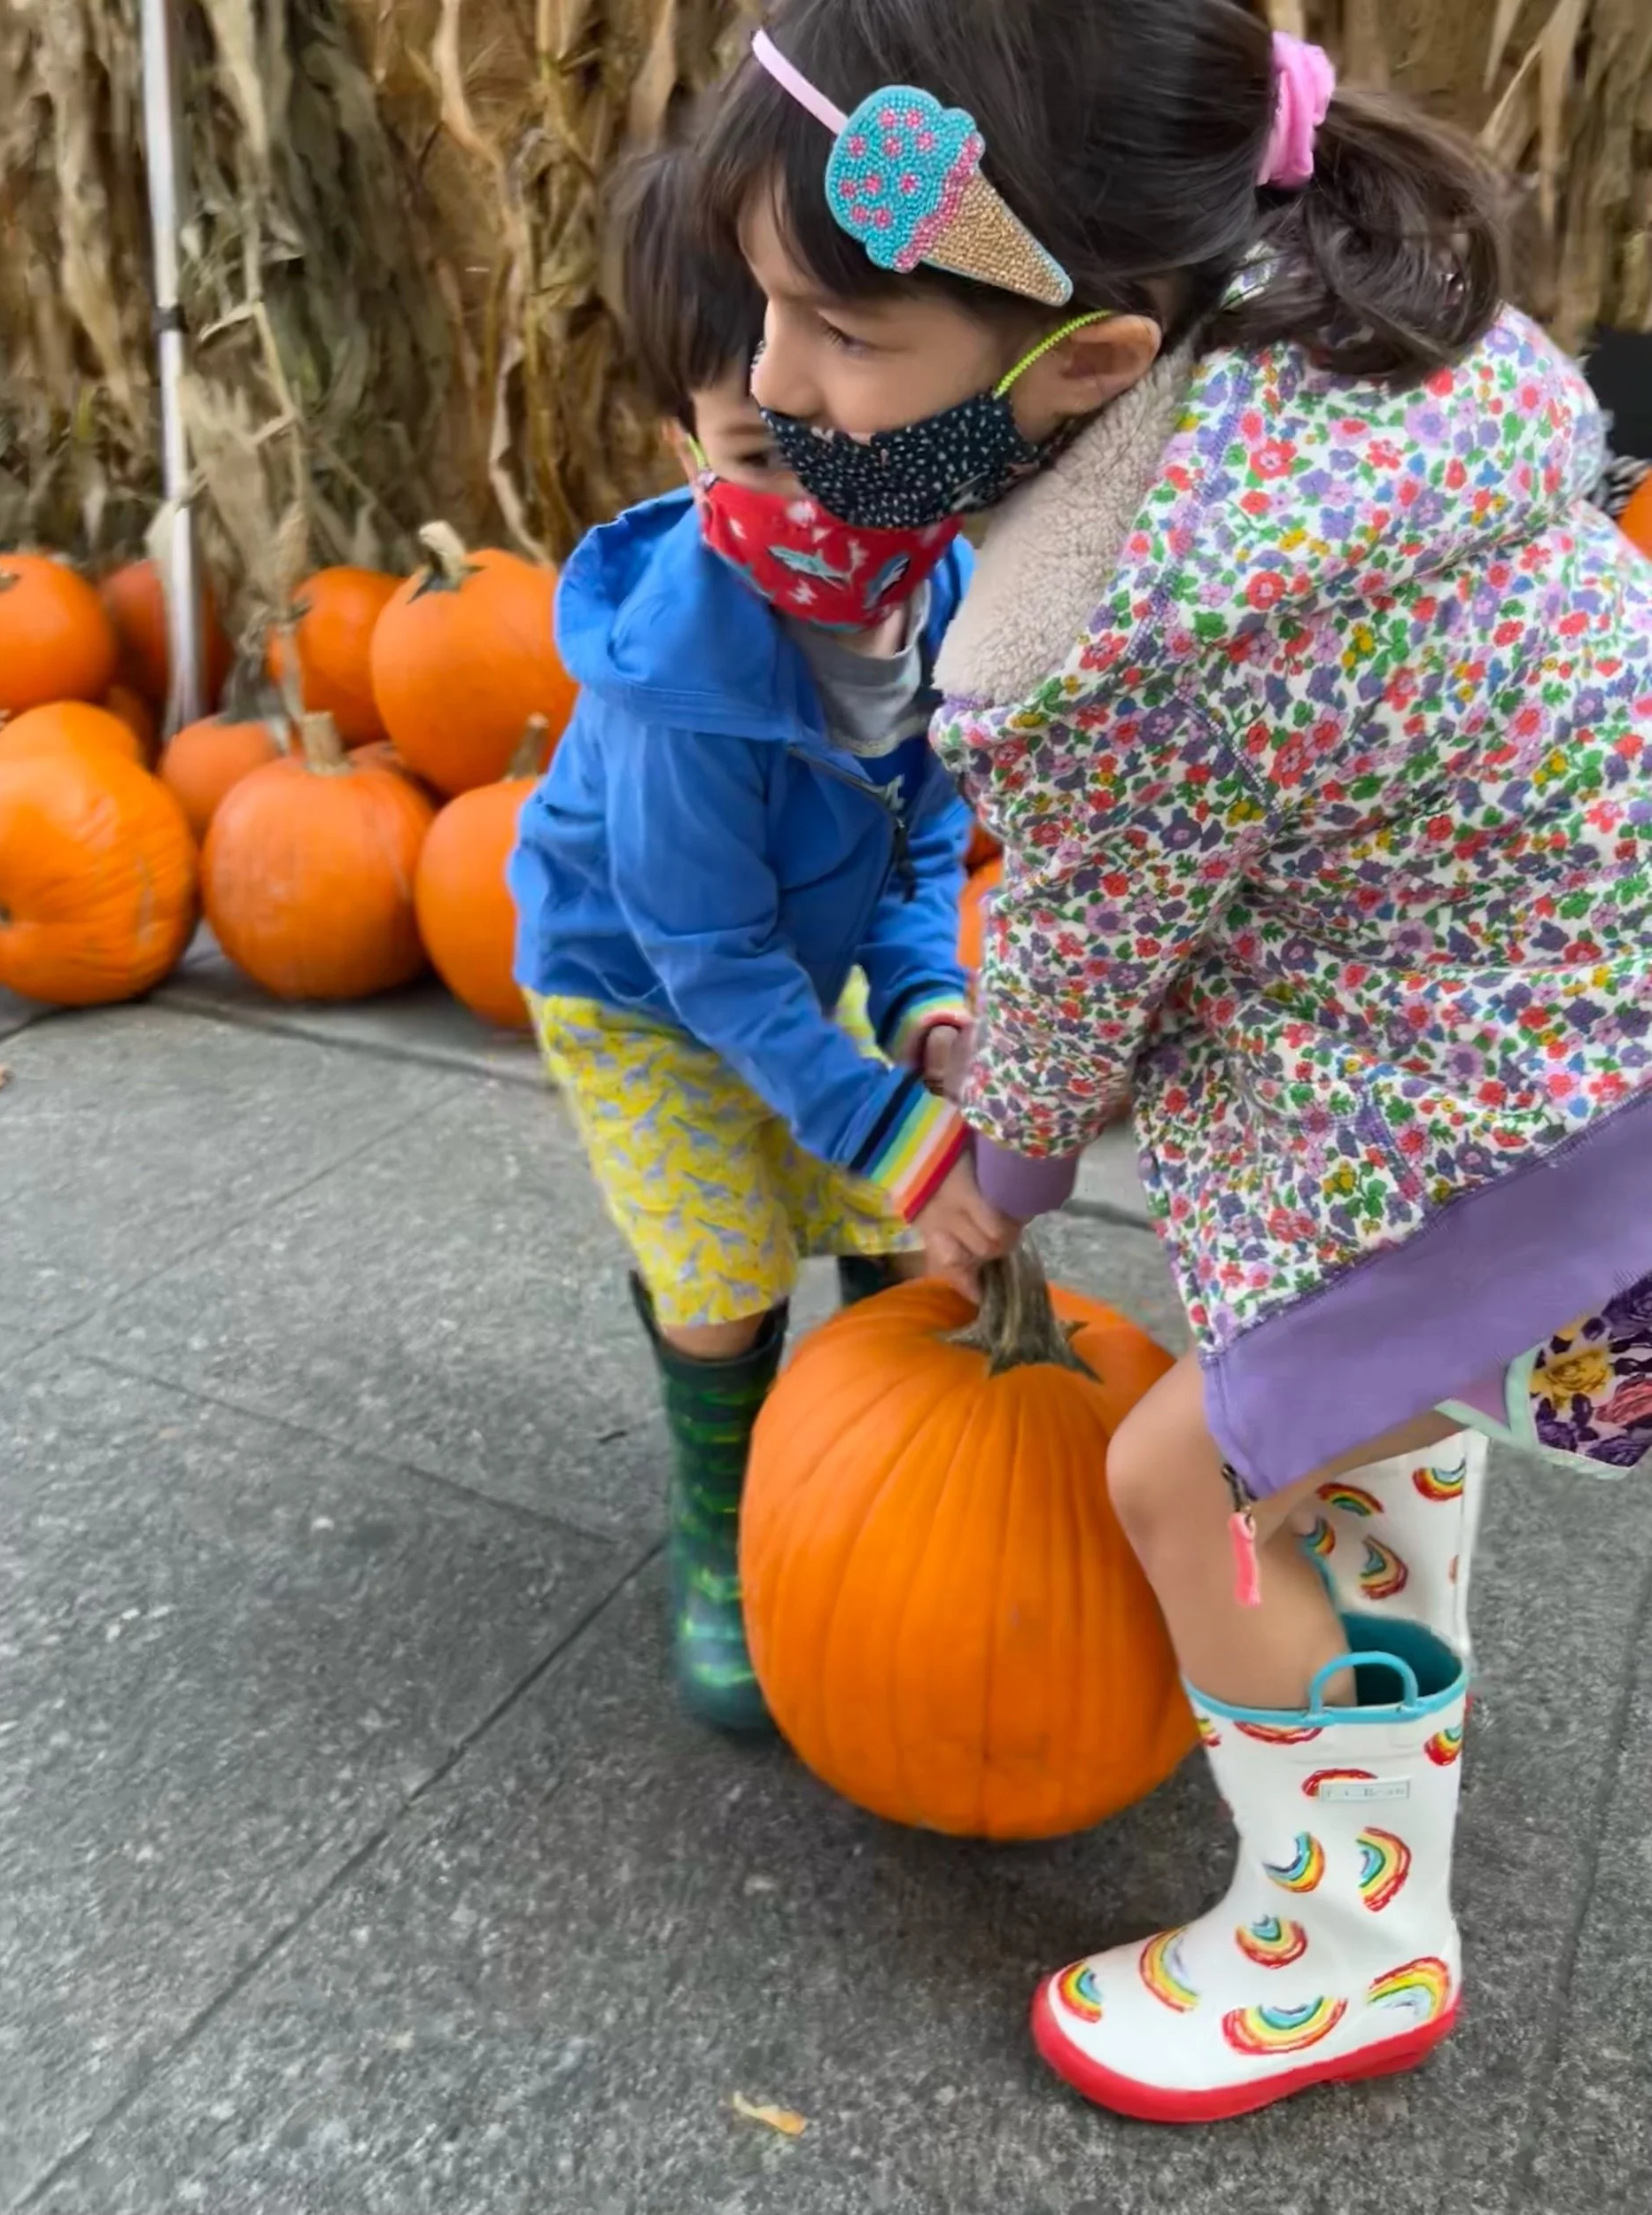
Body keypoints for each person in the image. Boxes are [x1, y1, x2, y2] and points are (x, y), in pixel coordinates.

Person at [700, 0, 1652, 2120]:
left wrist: (993, 1181)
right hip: (1570, 1030)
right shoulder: (1337, 378)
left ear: (1092, 361)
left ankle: (1343, 1943)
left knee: (1170, 1479)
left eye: (838, 333)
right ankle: (1373, 1688)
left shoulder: (1133, 632)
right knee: (1342, 1436)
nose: (777, 385)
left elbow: (1073, 972)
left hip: (1515, 1113)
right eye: (769, 316)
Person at [508, 144, 989, 1737]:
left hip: (808, 944)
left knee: (870, 1218)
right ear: (683, 443)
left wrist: (922, 993)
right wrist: (883, 1118)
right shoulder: (679, 683)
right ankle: (723, 1524)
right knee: (724, 1259)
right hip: (637, 985)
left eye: (843, 445)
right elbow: (707, 957)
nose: (819, 498)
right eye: (753, 455)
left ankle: (873, 1493)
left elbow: (928, 820)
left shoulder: (951, 588)